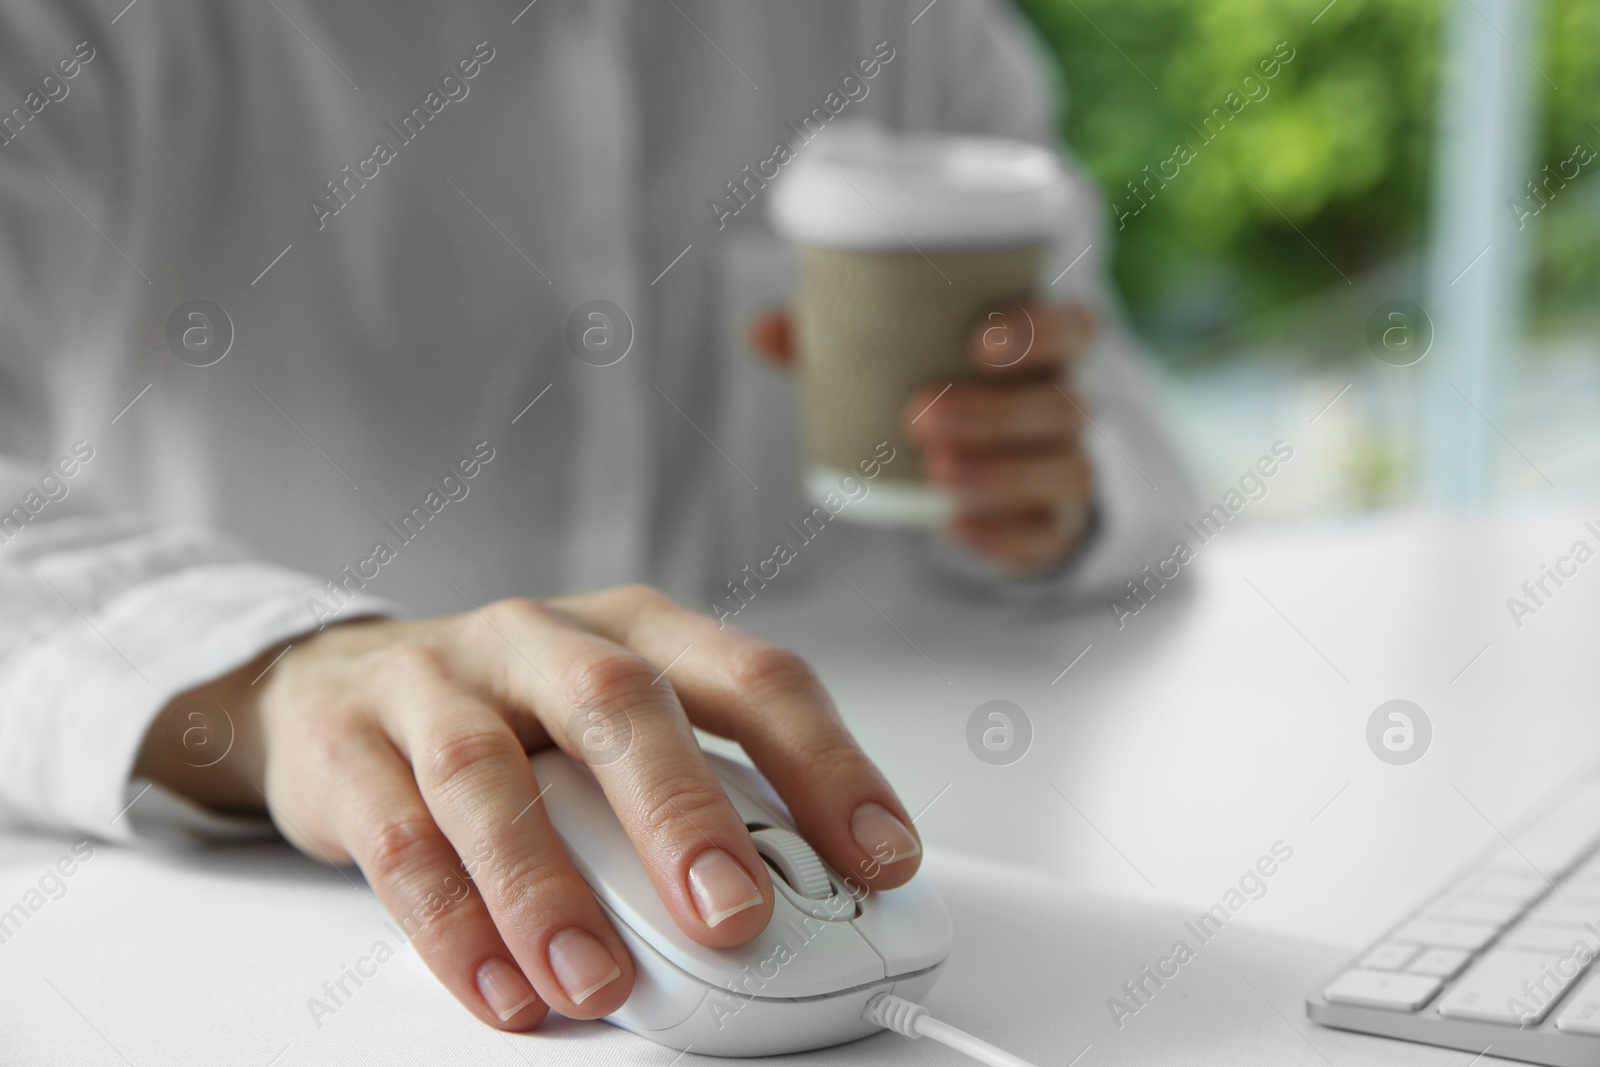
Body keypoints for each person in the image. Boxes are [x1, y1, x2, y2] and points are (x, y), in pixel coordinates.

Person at [0, 0, 1190, 1032]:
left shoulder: (904, 25)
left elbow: (1130, 439)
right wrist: (278, 666)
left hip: (958, 807)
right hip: (267, 895)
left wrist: (1047, 485)